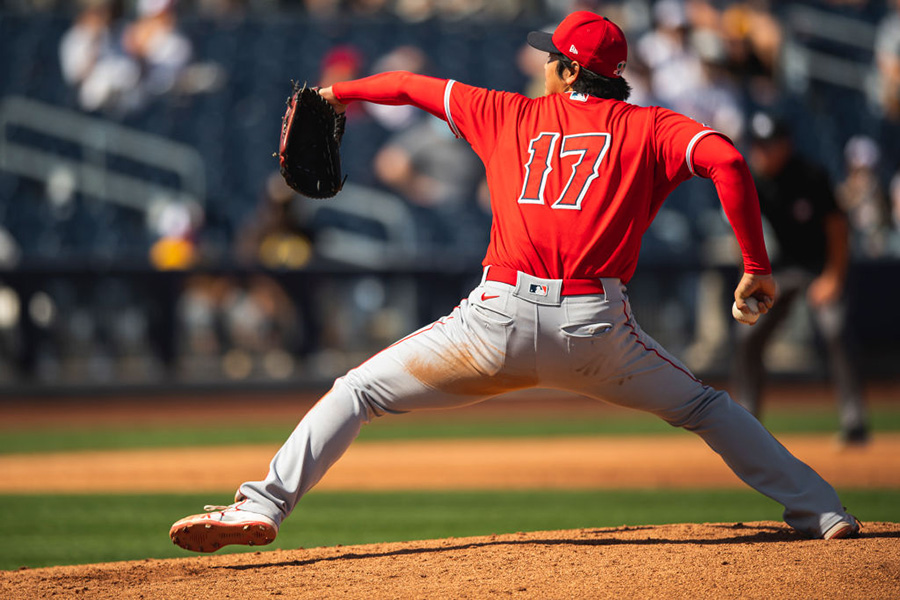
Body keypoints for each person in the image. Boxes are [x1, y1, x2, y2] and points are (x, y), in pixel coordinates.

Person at [169, 11, 859, 553]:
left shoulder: (510, 112)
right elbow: (731, 162)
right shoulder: (652, 128)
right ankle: (820, 509)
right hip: (597, 329)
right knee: (709, 410)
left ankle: (262, 504)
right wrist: (756, 266)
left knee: (356, 392)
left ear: (565, 71)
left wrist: (334, 91)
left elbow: (408, 87)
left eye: (551, 57)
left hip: (495, 320)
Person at [733, 112, 869, 446]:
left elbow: (838, 230)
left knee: (834, 330)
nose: (761, 152)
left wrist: (833, 278)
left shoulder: (811, 175)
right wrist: (748, 278)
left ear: (786, 146)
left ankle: (854, 421)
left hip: (819, 266)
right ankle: (746, 421)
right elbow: (745, 233)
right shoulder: (755, 181)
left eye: (769, 145)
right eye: (757, 145)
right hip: (779, 269)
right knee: (748, 336)